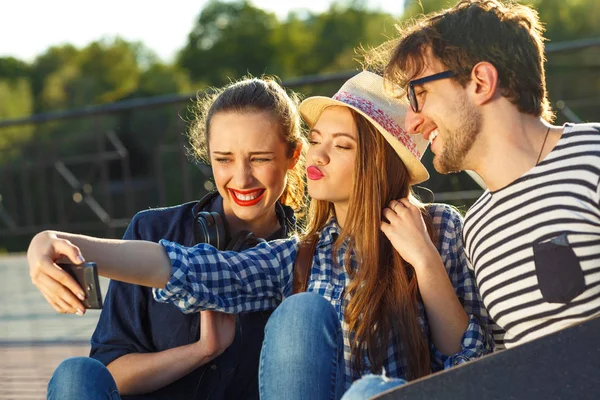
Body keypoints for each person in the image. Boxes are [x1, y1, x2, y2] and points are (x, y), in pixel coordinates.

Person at [27, 71, 493, 400]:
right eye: (318, 140)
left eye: (342, 145)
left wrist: (425, 262)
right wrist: (58, 242)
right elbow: (195, 268)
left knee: (366, 386)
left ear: (376, 162)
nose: (320, 155)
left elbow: (470, 361)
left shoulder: (440, 227)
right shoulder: (304, 254)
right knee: (303, 309)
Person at [344, 0, 600, 397]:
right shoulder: (477, 227)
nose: (412, 121)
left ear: (480, 81)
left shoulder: (592, 158)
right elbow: (496, 367)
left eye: (421, 93)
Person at [42, 76, 308, 400]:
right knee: (76, 375)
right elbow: (110, 374)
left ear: (292, 156)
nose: (241, 177)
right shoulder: (153, 231)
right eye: (224, 159)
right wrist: (202, 351)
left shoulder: (305, 258)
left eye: (260, 158)